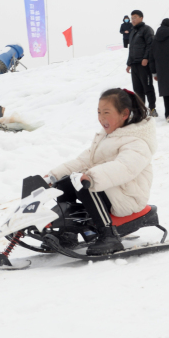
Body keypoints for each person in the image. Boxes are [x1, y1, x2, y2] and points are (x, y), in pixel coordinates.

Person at [45, 88, 157, 255]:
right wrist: (54, 175)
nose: (101, 118)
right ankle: (68, 234)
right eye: (99, 112)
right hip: (113, 190)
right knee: (67, 182)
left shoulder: (137, 141)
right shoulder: (107, 136)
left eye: (106, 112)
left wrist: (91, 177)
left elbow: (124, 167)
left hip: (129, 196)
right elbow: (84, 160)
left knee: (85, 185)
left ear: (124, 114)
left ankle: (109, 235)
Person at [125, 10, 158, 117]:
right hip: (134, 64)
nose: (132, 20)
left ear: (141, 18)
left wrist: (146, 58)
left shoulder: (147, 29)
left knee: (147, 87)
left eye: (134, 17)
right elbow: (131, 49)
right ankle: (141, 110)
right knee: (137, 89)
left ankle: (152, 108)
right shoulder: (132, 32)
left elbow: (151, 45)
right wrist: (129, 63)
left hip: (144, 64)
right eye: (131, 18)